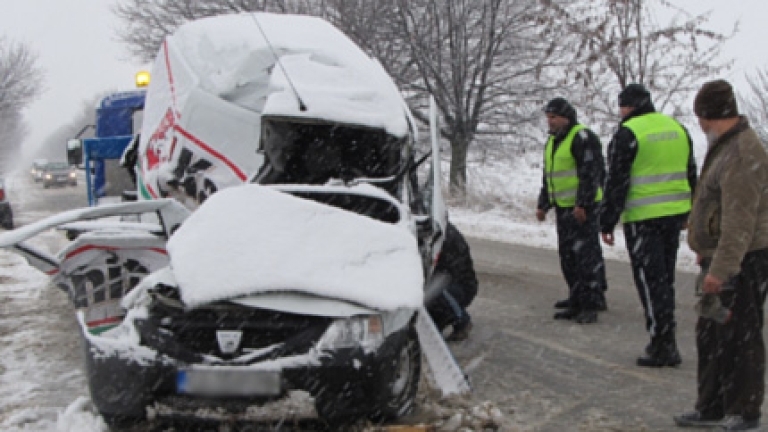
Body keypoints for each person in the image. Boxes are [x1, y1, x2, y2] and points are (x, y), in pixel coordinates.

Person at [673, 79, 768, 431]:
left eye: (701, 117)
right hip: (721, 257)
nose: (699, 125)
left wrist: (723, 269)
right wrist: (706, 251)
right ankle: (711, 405)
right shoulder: (725, 146)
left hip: (743, 260)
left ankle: (745, 412)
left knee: (740, 335)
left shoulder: (742, 153)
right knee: (711, 333)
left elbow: (740, 221)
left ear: (712, 115)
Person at [599, 83, 697, 367]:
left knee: (650, 283)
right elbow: (691, 172)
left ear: (628, 106)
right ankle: (666, 337)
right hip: (675, 216)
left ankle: (663, 343)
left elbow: (616, 181)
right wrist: (690, 213)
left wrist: (607, 220)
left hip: (644, 219)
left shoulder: (629, 133)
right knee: (665, 280)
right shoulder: (677, 128)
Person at [536, 97, 608, 324]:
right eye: (548, 117)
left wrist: (583, 204)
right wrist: (543, 204)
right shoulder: (553, 142)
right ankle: (576, 298)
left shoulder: (582, 137)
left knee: (584, 256)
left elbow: (591, 173)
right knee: (568, 256)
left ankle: (590, 303)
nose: (550, 122)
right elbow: (549, 177)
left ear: (566, 118)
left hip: (581, 209)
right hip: (564, 207)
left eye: (554, 117)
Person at [426, 221, 478, 342]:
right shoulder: (434, 229)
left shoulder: (440, 235)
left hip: (458, 286)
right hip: (447, 283)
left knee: (435, 289)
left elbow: (448, 270)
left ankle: (461, 320)